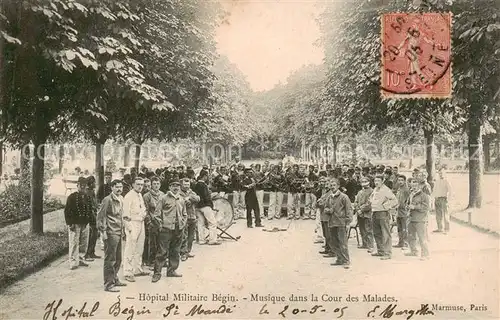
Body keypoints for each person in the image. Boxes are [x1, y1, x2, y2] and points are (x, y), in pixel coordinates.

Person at [151, 179, 187, 282]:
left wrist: (183, 223)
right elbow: (157, 214)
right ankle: (157, 273)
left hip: (178, 229)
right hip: (166, 229)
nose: (176, 188)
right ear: (169, 187)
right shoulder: (163, 199)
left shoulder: (181, 199)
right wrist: (161, 225)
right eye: (173, 185)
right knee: (162, 252)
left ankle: (171, 270)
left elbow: (184, 213)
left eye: (177, 186)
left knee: (175, 251)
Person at [96, 179, 127, 292]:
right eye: (117, 187)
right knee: (110, 259)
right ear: (112, 188)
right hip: (111, 232)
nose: (119, 189)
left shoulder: (121, 199)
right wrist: (103, 232)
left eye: (121, 187)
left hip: (119, 232)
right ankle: (108, 284)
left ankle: (114, 278)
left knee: (118, 259)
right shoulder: (107, 200)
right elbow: (100, 217)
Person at [317, 178, 353, 269]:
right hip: (332, 222)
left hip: (341, 223)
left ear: (338, 186)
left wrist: (348, 222)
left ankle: (346, 260)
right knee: (334, 242)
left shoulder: (344, 197)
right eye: (331, 185)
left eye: (334, 185)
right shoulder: (329, 197)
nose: (332, 187)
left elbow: (349, 210)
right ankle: (339, 259)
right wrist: (329, 210)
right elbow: (325, 208)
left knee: (342, 242)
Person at [122, 177, 149, 282]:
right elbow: (125, 213)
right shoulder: (129, 196)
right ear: (133, 185)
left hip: (140, 222)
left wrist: (144, 214)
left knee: (139, 247)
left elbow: (143, 208)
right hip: (132, 223)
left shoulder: (140, 195)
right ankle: (128, 272)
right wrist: (128, 227)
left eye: (142, 185)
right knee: (130, 248)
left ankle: (137, 269)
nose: (140, 186)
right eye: (138, 184)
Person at [64, 177, 92, 270]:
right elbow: (67, 211)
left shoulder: (87, 197)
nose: (83, 187)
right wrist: (70, 223)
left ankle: (80, 259)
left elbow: (89, 209)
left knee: (84, 242)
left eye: (85, 186)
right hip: (75, 223)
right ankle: (73, 262)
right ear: (78, 186)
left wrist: (88, 221)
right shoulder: (72, 197)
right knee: (74, 242)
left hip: (84, 223)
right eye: (81, 185)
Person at [370, 175, 398, 260]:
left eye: (378, 180)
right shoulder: (375, 189)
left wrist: (385, 206)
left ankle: (387, 253)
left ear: (382, 181)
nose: (376, 182)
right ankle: (380, 250)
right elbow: (371, 198)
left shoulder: (386, 190)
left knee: (385, 233)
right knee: (377, 233)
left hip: (383, 213)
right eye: (375, 181)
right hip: (375, 212)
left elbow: (395, 200)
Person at [405, 179, 431, 260]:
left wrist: (415, 207)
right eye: (412, 186)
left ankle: (426, 254)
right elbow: (408, 203)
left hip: (420, 219)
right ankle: (413, 251)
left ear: (420, 186)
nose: (414, 188)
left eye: (416, 186)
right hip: (411, 218)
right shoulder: (411, 194)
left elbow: (426, 207)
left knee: (422, 238)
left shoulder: (424, 196)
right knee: (411, 236)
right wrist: (407, 206)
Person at [193, 170, 221, 245]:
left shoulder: (196, 185)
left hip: (197, 206)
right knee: (212, 222)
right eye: (207, 176)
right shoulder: (203, 185)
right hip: (205, 206)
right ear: (205, 176)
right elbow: (206, 197)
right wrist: (212, 198)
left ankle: (201, 240)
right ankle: (212, 240)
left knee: (200, 223)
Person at [142, 176, 164, 267]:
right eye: (154, 184)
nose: (156, 186)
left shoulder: (163, 195)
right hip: (152, 222)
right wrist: (149, 222)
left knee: (161, 242)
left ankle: (159, 261)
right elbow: (145, 210)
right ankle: (150, 261)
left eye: (158, 184)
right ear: (151, 185)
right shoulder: (147, 196)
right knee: (152, 243)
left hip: (161, 222)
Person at [180, 178, 200, 261]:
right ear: (181, 185)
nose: (186, 186)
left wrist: (189, 198)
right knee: (184, 236)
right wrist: (187, 200)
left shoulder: (192, 192)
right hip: (183, 217)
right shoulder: (179, 193)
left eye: (188, 185)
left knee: (191, 236)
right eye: (185, 185)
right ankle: (183, 253)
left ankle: (188, 251)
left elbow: (198, 199)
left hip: (192, 216)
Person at [354, 176, 374, 251]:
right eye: (362, 182)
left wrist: (362, 210)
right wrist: (357, 209)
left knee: (368, 230)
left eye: (365, 181)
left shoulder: (372, 191)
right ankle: (364, 243)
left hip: (367, 213)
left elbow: (369, 203)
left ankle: (370, 245)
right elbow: (356, 201)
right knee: (362, 229)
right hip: (360, 214)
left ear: (369, 182)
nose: (364, 183)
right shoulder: (360, 192)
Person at [84, 176, 101, 260]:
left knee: (94, 233)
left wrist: (98, 206)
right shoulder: (88, 192)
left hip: (93, 213)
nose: (95, 184)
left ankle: (92, 252)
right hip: (91, 215)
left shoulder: (91, 192)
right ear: (90, 183)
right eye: (94, 182)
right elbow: (89, 206)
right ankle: (88, 253)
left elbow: (94, 203)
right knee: (91, 234)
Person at [433, 168, 451, 234]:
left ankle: (447, 229)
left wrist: (448, 199)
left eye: (442, 173)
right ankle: (439, 228)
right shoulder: (437, 181)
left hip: (443, 199)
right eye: (439, 173)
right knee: (438, 215)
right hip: (437, 199)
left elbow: (450, 191)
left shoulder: (446, 181)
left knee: (445, 214)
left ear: (444, 173)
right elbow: (434, 191)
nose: (441, 174)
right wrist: (433, 199)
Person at [394, 175, 410, 248]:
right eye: (399, 180)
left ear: (404, 181)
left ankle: (406, 243)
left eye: (401, 180)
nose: (400, 182)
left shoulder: (406, 190)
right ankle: (400, 242)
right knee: (399, 228)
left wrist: (403, 206)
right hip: (398, 212)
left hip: (404, 212)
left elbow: (408, 201)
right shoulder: (399, 189)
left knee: (404, 228)